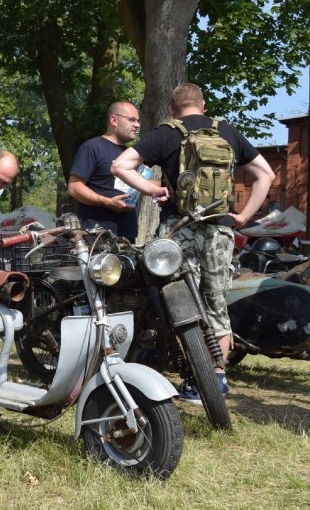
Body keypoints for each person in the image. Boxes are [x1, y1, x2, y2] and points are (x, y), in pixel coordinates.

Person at [112, 83, 275, 403]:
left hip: (179, 230)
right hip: (219, 232)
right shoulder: (227, 132)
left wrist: (151, 190)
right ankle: (216, 378)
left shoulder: (166, 133)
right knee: (216, 304)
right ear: (203, 105)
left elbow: (120, 166)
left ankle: (190, 376)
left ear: (173, 109)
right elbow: (266, 175)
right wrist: (243, 216)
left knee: (179, 303)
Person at [67, 101, 142, 241]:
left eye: (138, 121)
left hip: (127, 238)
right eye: (132, 120)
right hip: (97, 239)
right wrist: (106, 202)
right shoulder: (92, 147)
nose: (137, 125)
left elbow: (142, 183)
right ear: (114, 120)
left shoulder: (130, 154)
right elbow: (74, 187)